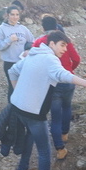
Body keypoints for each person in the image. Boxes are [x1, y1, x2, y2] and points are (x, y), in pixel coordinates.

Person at [8, 30, 86, 170]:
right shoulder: (50, 59)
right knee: (44, 153)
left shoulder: (33, 53)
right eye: (62, 45)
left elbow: (12, 71)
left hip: (17, 107)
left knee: (30, 137)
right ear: (52, 44)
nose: (65, 49)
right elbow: (64, 75)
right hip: (33, 113)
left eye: (66, 45)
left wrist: (17, 92)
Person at [32, 16, 81, 161]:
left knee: (55, 117)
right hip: (68, 80)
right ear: (57, 26)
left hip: (52, 84)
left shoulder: (39, 42)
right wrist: (69, 71)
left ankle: (60, 148)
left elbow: (34, 61)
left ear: (42, 28)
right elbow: (77, 59)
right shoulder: (64, 40)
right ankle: (64, 133)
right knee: (67, 107)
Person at [0, 5, 34, 102]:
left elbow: (33, 42)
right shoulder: (1, 29)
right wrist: (8, 40)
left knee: (24, 85)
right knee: (13, 87)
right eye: (12, 14)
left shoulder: (23, 28)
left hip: (23, 62)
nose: (15, 17)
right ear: (7, 15)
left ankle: (22, 109)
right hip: (10, 63)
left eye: (17, 14)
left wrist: (28, 50)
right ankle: (11, 111)